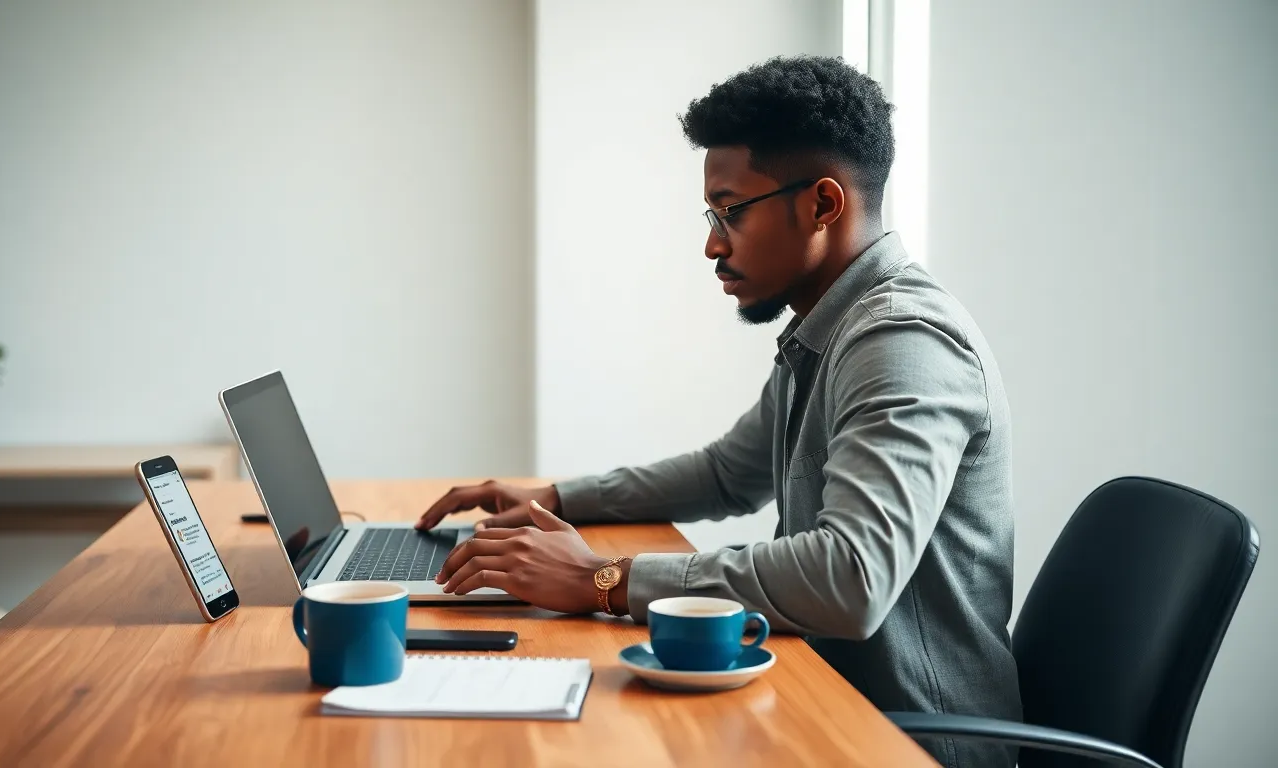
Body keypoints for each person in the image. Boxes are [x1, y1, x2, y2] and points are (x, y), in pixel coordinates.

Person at [416, 55, 1020, 768]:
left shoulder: (901, 342)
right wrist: (554, 499)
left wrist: (600, 580)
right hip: (834, 706)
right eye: (712, 215)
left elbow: (850, 577)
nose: (712, 242)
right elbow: (725, 475)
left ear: (823, 204)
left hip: (910, 744)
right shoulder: (833, 328)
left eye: (731, 211)